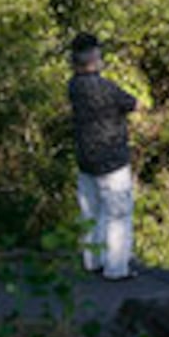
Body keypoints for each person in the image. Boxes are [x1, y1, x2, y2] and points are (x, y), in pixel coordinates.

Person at [67, 32, 139, 281]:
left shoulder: (74, 85)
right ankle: (116, 269)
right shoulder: (105, 87)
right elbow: (132, 103)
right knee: (118, 214)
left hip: (85, 157)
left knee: (91, 212)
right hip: (112, 160)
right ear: (94, 57)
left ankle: (93, 261)